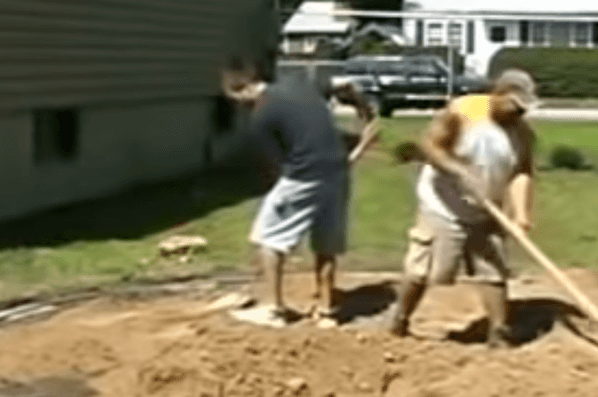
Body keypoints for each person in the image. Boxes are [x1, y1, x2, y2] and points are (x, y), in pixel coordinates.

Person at [220, 57, 376, 328]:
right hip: (338, 170)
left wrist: (278, 194)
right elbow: (345, 84)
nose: (238, 106)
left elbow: (274, 167)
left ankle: (273, 309)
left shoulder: (261, 115)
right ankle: (327, 311)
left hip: (304, 174)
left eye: (235, 99)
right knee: (326, 243)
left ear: (242, 90)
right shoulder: (301, 85)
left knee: (268, 238)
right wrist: (364, 109)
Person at [387, 69, 538, 347]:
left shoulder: (522, 132)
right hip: (442, 204)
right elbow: (431, 146)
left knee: (494, 270)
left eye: (523, 110)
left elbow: (521, 171)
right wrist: (460, 171)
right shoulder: (463, 111)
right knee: (425, 270)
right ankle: (400, 320)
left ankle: (499, 332)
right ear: (498, 94)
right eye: (514, 106)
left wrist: (522, 216)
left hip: (487, 209)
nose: (518, 114)